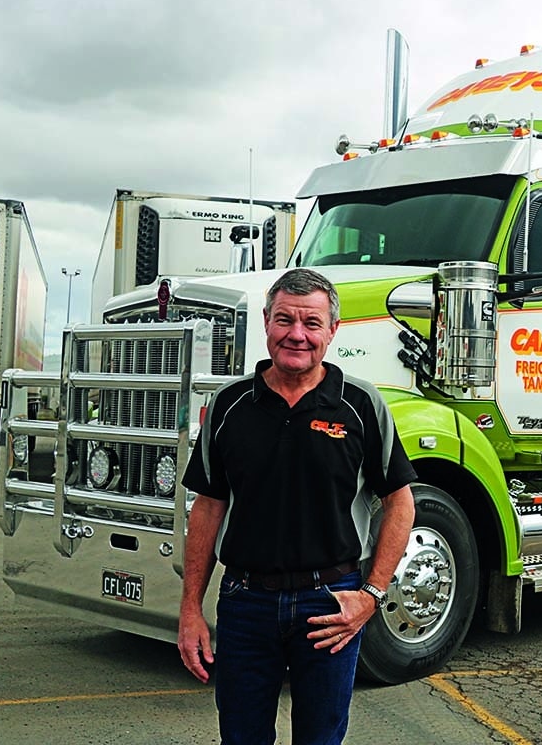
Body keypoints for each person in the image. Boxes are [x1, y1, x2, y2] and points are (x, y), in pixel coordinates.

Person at [177, 267, 416, 744]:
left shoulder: (361, 405)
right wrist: (190, 609)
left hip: (331, 605)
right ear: (266, 322)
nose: (297, 335)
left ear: (332, 331)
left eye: (311, 323)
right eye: (284, 320)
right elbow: (207, 505)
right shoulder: (229, 406)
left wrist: (371, 595)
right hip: (246, 602)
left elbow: (401, 502)